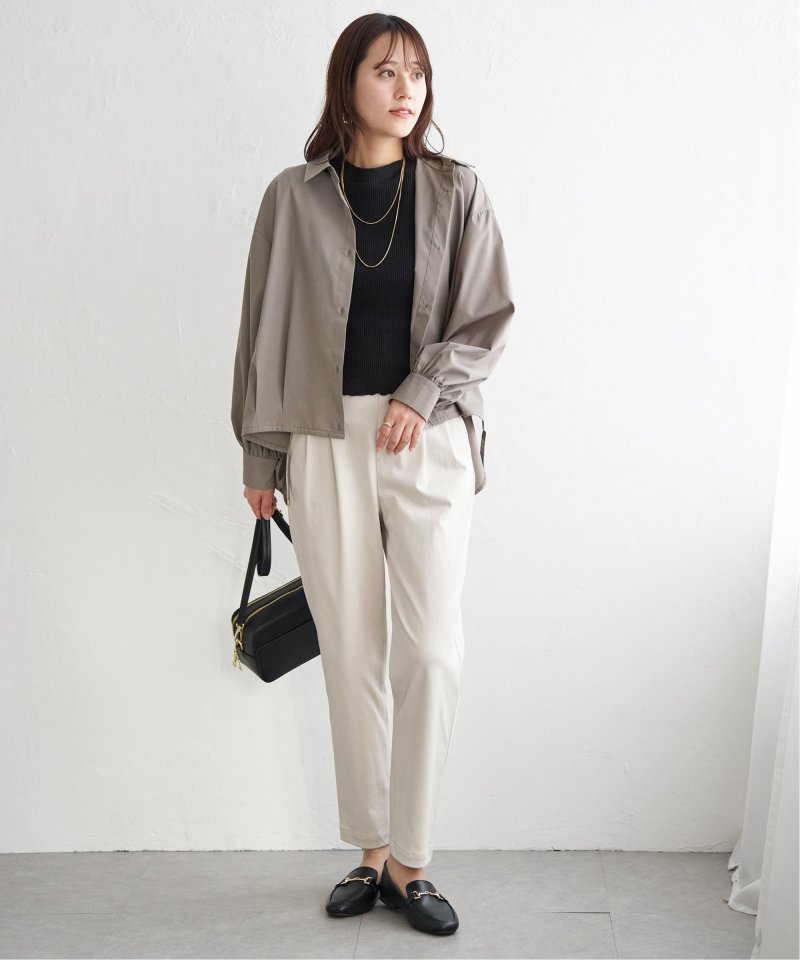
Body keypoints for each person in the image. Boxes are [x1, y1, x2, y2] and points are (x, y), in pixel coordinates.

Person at [231, 13, 514, 937]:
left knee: (430, 652)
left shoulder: (457, 190)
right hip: (322, 438)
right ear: (346, 82)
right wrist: (261, 455)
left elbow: (487, 318)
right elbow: (261, 332)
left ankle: (414, 862)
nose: (406, 89)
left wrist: (421, 392)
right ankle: (371, 851)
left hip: (426, 437)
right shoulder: (292, 196)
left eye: (418, 74)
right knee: (352, 651)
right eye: (386, 71)